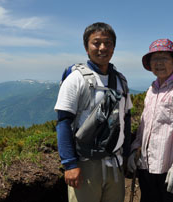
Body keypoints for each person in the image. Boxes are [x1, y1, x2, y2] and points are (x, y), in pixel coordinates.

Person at [54, 22, 133, 202]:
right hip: (85, 164)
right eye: (96, 43)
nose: (102, 48)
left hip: (115, 162)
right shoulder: (76, 79)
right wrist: (69, 164)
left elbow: (125, 120)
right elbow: (63, 122)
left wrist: (126, 155)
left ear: (113, 47)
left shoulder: (121, 80)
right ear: (86, 47)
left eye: (108, 43)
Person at [128, 39, 173, 202]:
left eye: (164, 58)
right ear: (149, 63)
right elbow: (144, 127)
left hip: (171, 168)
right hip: (147, 167)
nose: (159, 63)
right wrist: (134, 149)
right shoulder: (151, 91)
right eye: (154, 59)